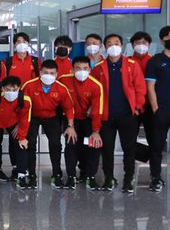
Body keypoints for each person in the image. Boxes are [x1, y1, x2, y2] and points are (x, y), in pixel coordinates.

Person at [92, 34, 146, 192]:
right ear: (105, 47)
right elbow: (94, 91)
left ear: (122, 45)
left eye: (116, 43)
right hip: (106, 116)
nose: (113, 46)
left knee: (129, 149)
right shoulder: (99, 67)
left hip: (127, 115)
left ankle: (128, 179)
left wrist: (137, 107)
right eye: (109, 43)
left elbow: (140, 87)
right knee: (107, 149)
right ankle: (109, 178)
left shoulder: (132, 64)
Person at [22, 60, 75, 189]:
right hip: (32, 117)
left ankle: (56, 173)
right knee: (30, 144)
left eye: (52, 73)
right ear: (40, 72)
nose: (48, 75)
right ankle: (32, 174)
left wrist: (70, 126)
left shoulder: (61, 89)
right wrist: (21, 125)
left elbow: (69, 108)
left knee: (55, 144)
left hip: (51, 117)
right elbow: (22, 107)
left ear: (57, 74)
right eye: (45, 72)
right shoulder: (29, 86)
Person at [58, 57, 105, 190]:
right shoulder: (63, 80)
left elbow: (97, 110)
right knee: (71, 145)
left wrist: (96, 132)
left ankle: (90, 176)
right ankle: (71, 177)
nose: (81, 71)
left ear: (90, 70)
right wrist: (69, 126)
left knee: (92, 146)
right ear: (72, 69)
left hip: (88, 121)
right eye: (78, 68)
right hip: (70, 121)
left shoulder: (96, 85)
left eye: (85, 69)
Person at [146, 25, 170, 192]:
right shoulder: (155, 61)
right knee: (157, 146)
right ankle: (156, 178)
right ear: (162, 40)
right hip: (162, 110)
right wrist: (155, 108)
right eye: (168, 36)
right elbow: (150, 86)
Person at [0, 76, 32, 188]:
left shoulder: (25, 99)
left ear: (19, 88)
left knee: (19, 143)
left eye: (14, 90)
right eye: (8, 90)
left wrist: (22, 136)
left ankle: (20, 172)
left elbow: (25, 118)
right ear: (2, 89)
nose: (11, 92)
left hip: (14, 122)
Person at [130, 31, 154, 164]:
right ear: (132, 45)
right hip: (132, 106)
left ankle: (154, 173)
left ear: (149, 44)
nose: (141, 45)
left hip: (150, 105)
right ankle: (131, 170)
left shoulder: (154, 61)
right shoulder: (127, 61)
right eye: (137, 42)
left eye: (144, 42)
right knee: (129, 140)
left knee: (154, 139)